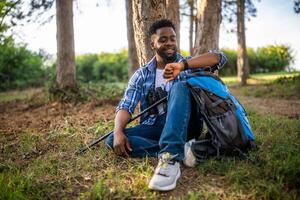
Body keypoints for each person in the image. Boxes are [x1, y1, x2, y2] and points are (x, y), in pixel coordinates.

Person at [106, 19, 227, 191]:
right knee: (113, 139)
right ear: (152, 44)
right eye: (163, 40)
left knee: (179, 86)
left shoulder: (187, 64)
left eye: (173, 38)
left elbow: (219, 57)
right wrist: (118, 132)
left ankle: (170, 157)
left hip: (187, 124)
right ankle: (184, 151)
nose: (169, 43)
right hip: (155, 126)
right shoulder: (141, 74)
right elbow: (126, 106)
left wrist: (182, 66)